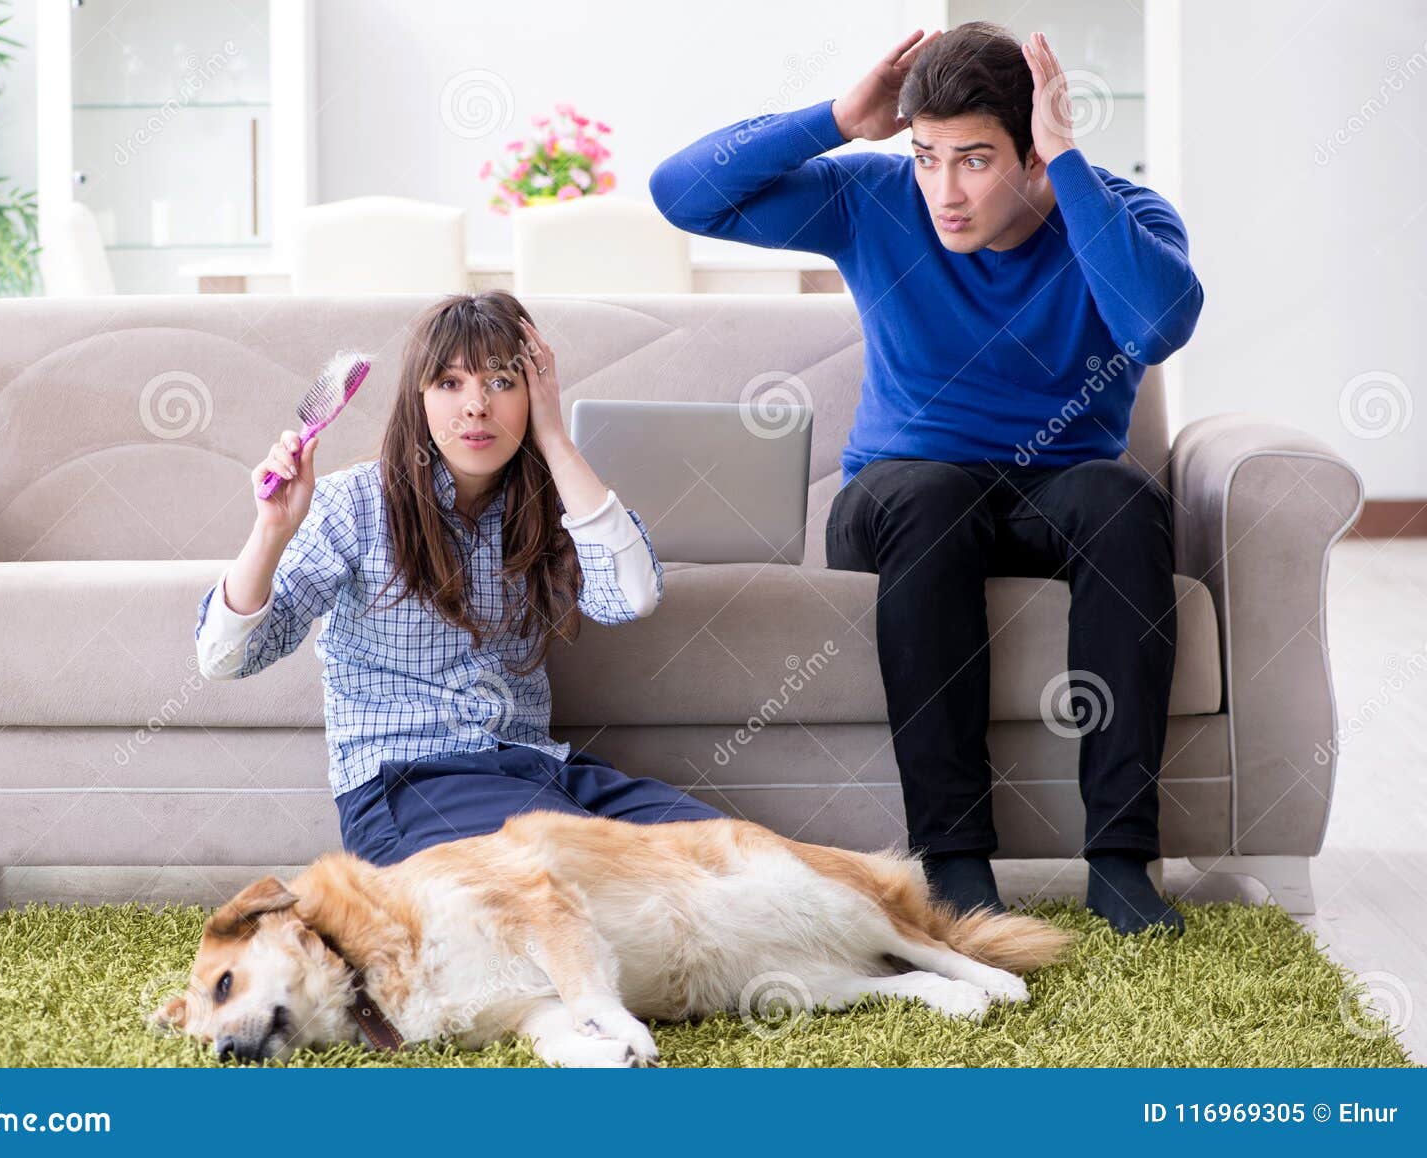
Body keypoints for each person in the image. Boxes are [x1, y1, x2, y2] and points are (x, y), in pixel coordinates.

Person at [649, 22, 1204, 934]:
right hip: (902, 497)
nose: (944, 192)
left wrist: (1070, 163)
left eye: (976, 160)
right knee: (934, 496)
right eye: (927, 157)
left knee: (1123, 496)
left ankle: (1121, 861)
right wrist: (835, 118)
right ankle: (952, 861)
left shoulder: (1119, 214)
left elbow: (1155, 328)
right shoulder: (875, 198)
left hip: (1059, 489)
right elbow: (682, 195)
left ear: (1032, 155)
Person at [194, 290, 724, 867]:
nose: (476, 406)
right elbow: (223, 659)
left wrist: (554, 437)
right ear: (418, 399)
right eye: (449, 383)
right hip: (410, 782)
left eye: (501, 382)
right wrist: (271, 531)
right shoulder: (355, 503)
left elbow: (632, 597)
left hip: (540, 771)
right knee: (549, 884)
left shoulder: (554, 504)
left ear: (534, 393)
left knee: (727, 857)